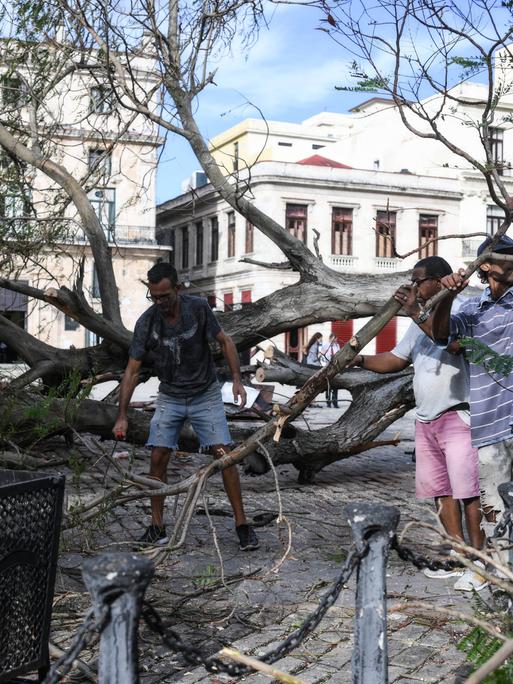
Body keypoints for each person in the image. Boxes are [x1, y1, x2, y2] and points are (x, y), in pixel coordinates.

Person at [352, 256, 485, 591]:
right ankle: (458, 557)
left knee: (468, 493)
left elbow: (447, 341)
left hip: (458, 414)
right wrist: (359, 359)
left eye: (418, 280)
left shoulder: (461, 310)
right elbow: (396, 359)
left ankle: (480, 563)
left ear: (439, 280)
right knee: (440, 492)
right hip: (426, 420)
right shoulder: (417, 322)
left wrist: (418, 310)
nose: (413, 287)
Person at [113, 262, 259, 551]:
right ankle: (157, 528)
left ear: (177, 289)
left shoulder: (199, 309)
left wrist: (237, 380)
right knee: (157, 456)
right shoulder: (146, 323)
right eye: (154, 297)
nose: (160, 303)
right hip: (169, 396)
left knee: (224, 456)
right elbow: (131, 371)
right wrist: (122, 416)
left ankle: (242, 524)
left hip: (206, 393)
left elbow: (226, 342)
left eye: (165, 296)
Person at [432, 234, 513, 567]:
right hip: (490, 428)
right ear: (488, 267)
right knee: (494, 507)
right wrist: (447, 297)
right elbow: (440, 334)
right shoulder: (471, 309)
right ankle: (498, 575)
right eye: (505, 257)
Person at [320, 333, 341, 407]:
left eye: (336, 339)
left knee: (336, 385)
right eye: (334, 339)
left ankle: (335, 402)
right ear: (331, 338)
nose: (336, 340)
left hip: (335, 367)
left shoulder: (337, 346)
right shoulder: (326, 345)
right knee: (328, 385)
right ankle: (328, 401)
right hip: (327, 366)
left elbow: (339, 354)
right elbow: (321, 355)